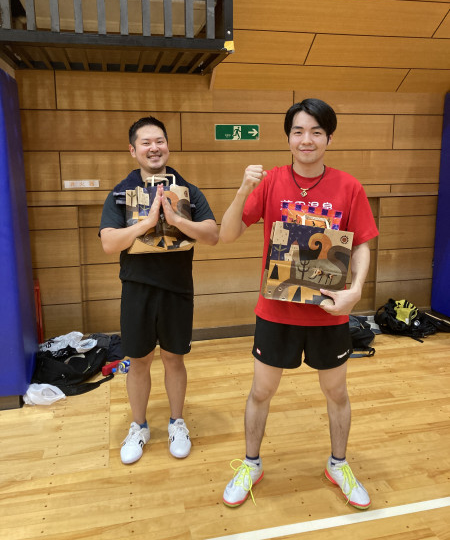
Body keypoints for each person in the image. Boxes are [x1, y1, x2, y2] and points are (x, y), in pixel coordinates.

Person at [220, 98, 378, 509]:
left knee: (336, 392)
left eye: (316, 132)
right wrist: (243, 190)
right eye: (298, 131)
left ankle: (338, 465)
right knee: (261, 390)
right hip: (277, 312)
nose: (307, 140)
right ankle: (251, 464)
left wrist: (356, 290)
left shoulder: (349, 186)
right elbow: (228, 234)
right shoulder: (270, 181)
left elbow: (361, 243)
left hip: (328, 312)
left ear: (329, 138)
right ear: (288, 137)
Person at [99, 116, 218, 465]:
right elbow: (109, 243)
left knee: (173, 358)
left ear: (167, 145)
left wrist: (177, 219)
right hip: (137, 289)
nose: (154, 148)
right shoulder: (121, 193)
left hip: (177, 289)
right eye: (146, 143)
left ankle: (177, 423)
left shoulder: (188, 191)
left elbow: (212, 235)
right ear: (133, 150)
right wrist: (147, 223)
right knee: (139, 361)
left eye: (160, 141)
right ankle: (138, 426)